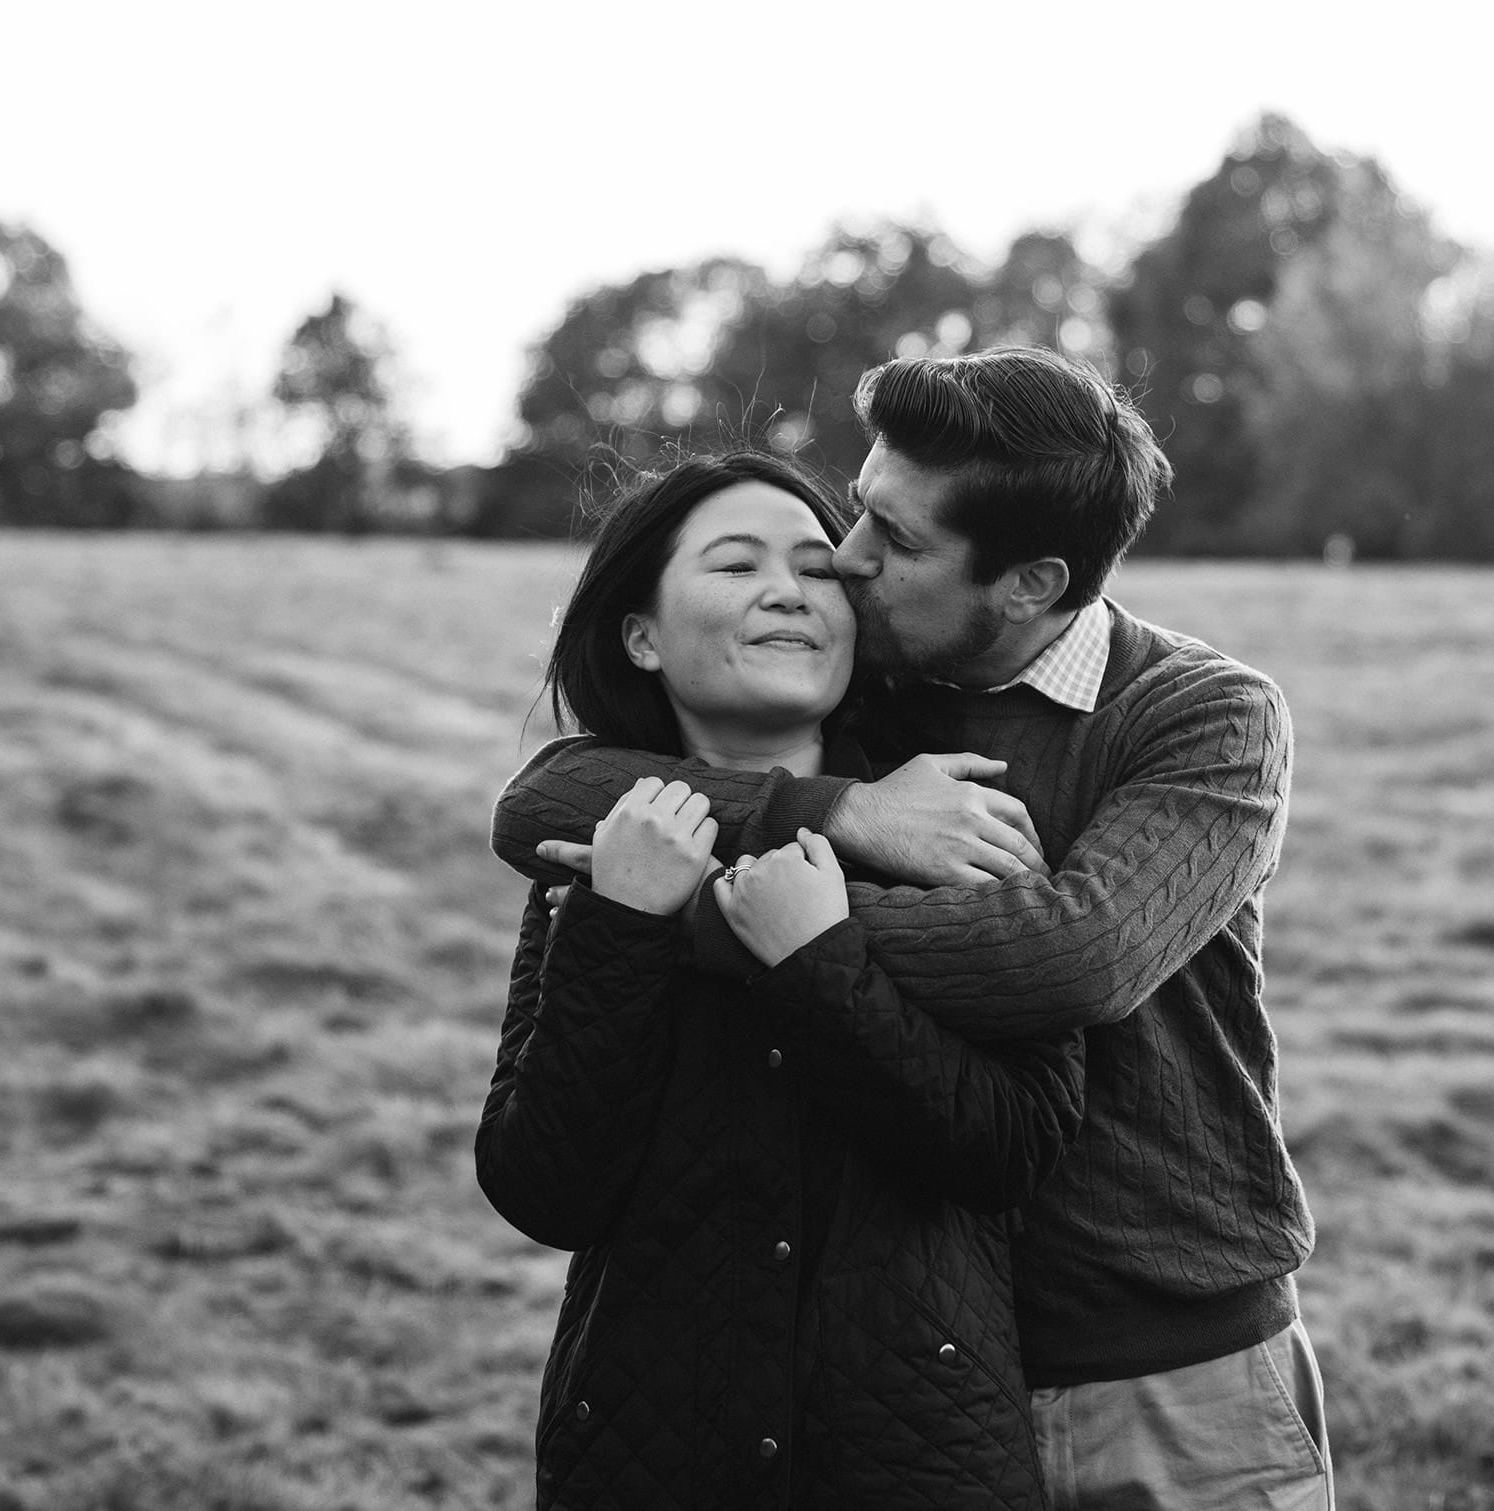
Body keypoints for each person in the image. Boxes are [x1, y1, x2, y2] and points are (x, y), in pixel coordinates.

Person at [493, 347, 1332, 1509]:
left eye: (895, 538)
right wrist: (841, 811)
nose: (845, 558)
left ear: (1028, 584)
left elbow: (1068, 956)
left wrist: (724, 920)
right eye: (861, 508)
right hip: (921, 1369)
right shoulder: (880, 692)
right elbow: (543, 801)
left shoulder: (1200, 714)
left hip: (1159, 1358)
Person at [476, 449, 1086, 1508]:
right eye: (735, 565)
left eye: (816, 568)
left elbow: (1013, 1148)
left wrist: (817, 964)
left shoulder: (956, 823)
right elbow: (546, 1189)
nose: (788, 591)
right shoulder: (602, 855)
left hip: (916, 1459)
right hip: (649, 1456)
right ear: (641, 635)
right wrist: (621, 927)